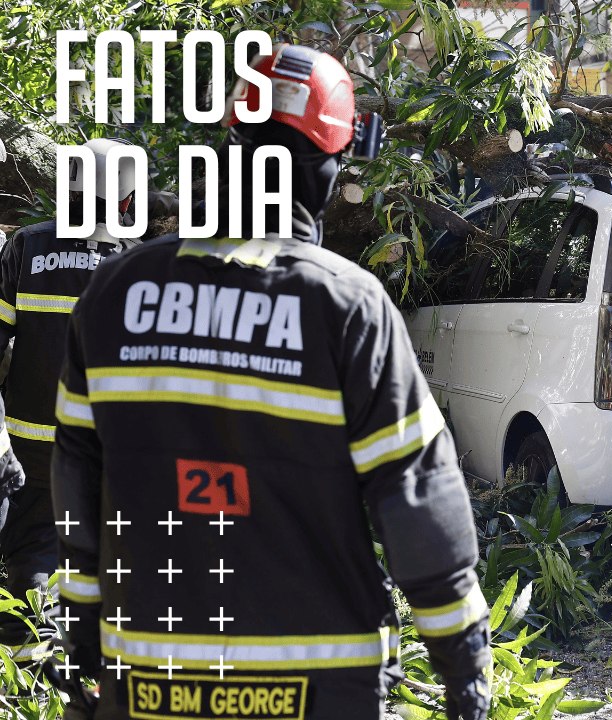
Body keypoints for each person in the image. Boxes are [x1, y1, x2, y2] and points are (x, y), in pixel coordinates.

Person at [49, 44, 491, 719]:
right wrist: (464, 671)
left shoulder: (115, 291)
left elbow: (78, 478)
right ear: (327, 171)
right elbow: (416, 497)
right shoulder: (348, 306)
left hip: (149, 678)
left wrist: (83, 631)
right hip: (318, 684)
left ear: (231, 144)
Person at [0, 139, 141, 660]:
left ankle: (24, 657)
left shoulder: (26, 247)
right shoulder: (137, 265)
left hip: (24, 450)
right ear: (126, 202)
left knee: (31, 560)